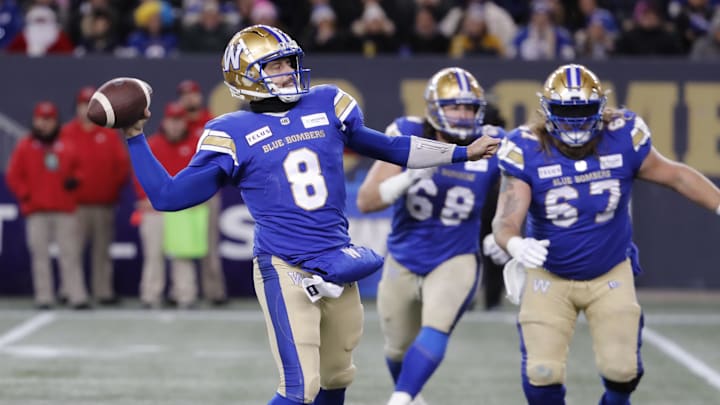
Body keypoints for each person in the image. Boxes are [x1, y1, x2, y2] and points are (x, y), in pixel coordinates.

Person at [121, 25, 499, 405]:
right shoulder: (230, 131)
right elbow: (169, 196)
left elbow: (389, 147)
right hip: (286, 265)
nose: (288, 71)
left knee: (337, 379)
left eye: (289, 62)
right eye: (275, 65)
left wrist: (462, 153)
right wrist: (136, 136)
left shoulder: (328, 103)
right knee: (301, 387)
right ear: (246, 74)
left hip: (336, 260)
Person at [491, 64, 720, 405]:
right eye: (565, 113)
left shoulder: (623, 134)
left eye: (583, 111)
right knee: (542, 372)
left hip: (609, 270)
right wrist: (516, 243)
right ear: (547, 112)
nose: (575, 122)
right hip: (549, 275)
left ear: (600, 109)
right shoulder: (526, 147)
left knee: (622, 371)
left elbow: (675, 176)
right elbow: (505, 221)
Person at [355, 67, 506, 405]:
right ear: (435, 107)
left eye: (469, 107)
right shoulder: (409, 132)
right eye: (455, 106)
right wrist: (407, 178)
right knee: (396, 349)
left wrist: (508, 235)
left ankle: (400, 399)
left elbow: (522, 189)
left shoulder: (494, 141)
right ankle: (412, 396)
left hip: (456, 254)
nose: (463, 114)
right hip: (404, 254)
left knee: (436, 325)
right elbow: (367, 200)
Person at [5, 101, 90, 309]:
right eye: (40, 119)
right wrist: (27, 196)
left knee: (70, 254)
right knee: (39, 255)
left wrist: (76, 179)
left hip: (65, 209)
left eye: (48, 119)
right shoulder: (26, 145)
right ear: (34, 120)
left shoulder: (68, 143)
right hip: (37, 211)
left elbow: (81, 169)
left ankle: (75, 295)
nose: (44, 124)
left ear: (55, 121)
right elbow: (14, 175)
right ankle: (44, 297)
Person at [60, 86, 130, 305]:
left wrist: (110, 188)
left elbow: (121, 166)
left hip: (103, 204)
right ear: (77, 107)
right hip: (75, 205)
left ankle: (103, 291)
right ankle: (71, 291)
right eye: (82, 104)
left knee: (102, 251)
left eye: (90, 104)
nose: (85, 109)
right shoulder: (66, 133)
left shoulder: (109, 133)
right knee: (72, 251)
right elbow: (57, 166)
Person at [133, 102, 203, 309]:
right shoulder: (153, 144)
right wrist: (144, 197)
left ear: (184, 123)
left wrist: (193, 198)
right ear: (164, 121)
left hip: (183, 209)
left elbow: (200, 175)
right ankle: (150, 295)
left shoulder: (194, 145)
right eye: (172, 120)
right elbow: (139, 172)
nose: (175, 125)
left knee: (182, 254)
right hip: (154, 209)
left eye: (179, 121)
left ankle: (185, 295)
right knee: (153, 255)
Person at [175, 79, 227, 305]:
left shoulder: (211, 122)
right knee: (180, 243)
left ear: (199, 96)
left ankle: (214, 292)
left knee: (209, 244)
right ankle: (182, 293)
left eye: (192, 94)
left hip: (207, 191)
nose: (189, 98)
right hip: (182, 191)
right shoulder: (176, 121)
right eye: (185, 94)